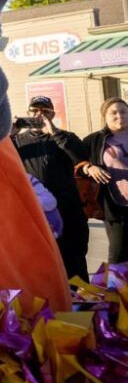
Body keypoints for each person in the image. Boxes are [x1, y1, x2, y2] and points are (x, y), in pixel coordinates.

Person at [10, 95, 89, 280]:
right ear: (27, 113)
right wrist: (10, 134)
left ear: (52, 114)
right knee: (41, 263)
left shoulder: (64, 137)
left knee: (74, 260)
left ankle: (82, 301)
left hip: (68, 209)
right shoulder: (17, 142)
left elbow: (81, 155)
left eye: (45, 111)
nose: (39, 115)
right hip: (37, 212)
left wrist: (54, 132)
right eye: (35, 111)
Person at [79, 97, 128, 265]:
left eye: (123, 111)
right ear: (104, 117)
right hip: (115, 205)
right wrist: (88, 167)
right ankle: (115, 290)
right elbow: (76, 161)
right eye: (113, 112)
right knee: (118, 253)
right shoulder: (94, 141)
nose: (119, 115)